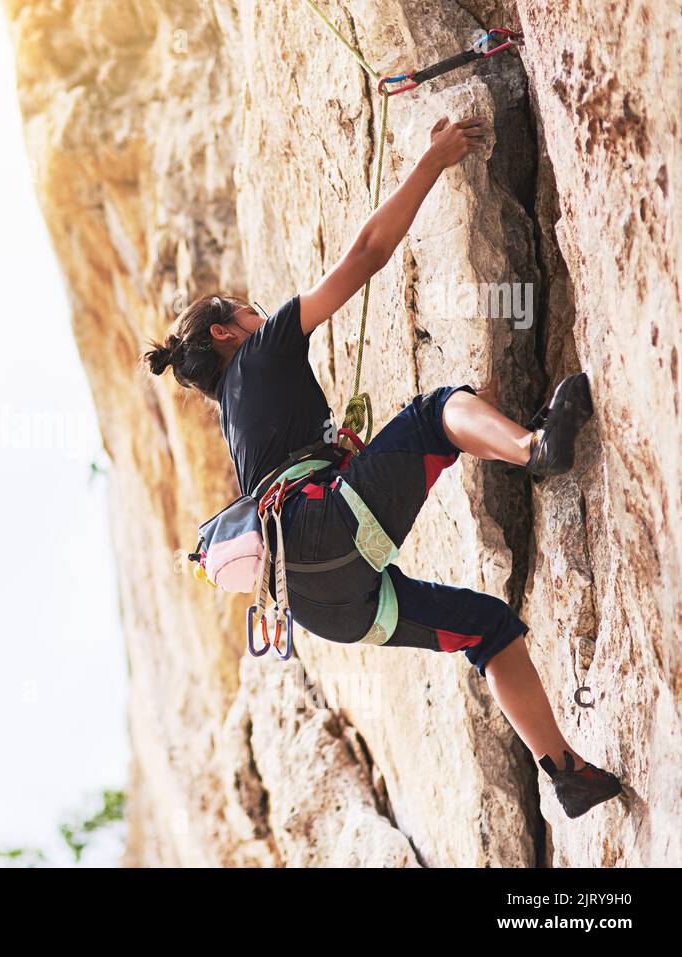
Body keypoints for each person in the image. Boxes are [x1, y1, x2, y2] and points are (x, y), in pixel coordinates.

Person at [143, 115, 622, 819]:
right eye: (247, 310)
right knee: (434, 412)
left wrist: (342, 458)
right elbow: (367, 252)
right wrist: (432, 160)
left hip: (327, 607)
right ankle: (535, 449)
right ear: (225, 332)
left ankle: (568, 772)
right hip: (327, 532)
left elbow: (310, 486)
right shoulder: (262, 351)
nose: (260, 313)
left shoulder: (241, 430)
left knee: (486, 627)